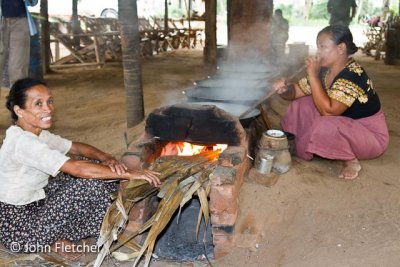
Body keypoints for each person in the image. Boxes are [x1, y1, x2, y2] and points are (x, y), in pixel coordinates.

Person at [0, 78, 161, 254]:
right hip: (19, 229)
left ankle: (59, 237)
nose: (48, 108)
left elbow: (75, 147)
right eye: (38, 104)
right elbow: (77, 169)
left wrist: (106, 157)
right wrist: (130, 174)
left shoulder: (35, 133)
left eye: (50, 101)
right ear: (19, 110)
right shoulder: (23, 142)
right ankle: (54, 240)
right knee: (89, 182)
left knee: (97, 167)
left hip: (36, 203)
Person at [272, 25, 389, 180]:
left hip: (370, 136)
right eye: (318, 47)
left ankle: (351, 161)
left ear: (341, 48)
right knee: (302, 104)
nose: (318, 52)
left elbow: (329, 112)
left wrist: (312, 76)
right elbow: (296, 92)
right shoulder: (325, 71)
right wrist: (284, 90)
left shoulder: (353, 74)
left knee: (325, 123)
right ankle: (302, 142)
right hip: (345, 125)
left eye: (323, 47)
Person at [0, 0, 38, 88]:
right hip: (2, 19)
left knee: (18, 68)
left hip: (20, 22)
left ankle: (17, 99)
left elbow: (33, 2)